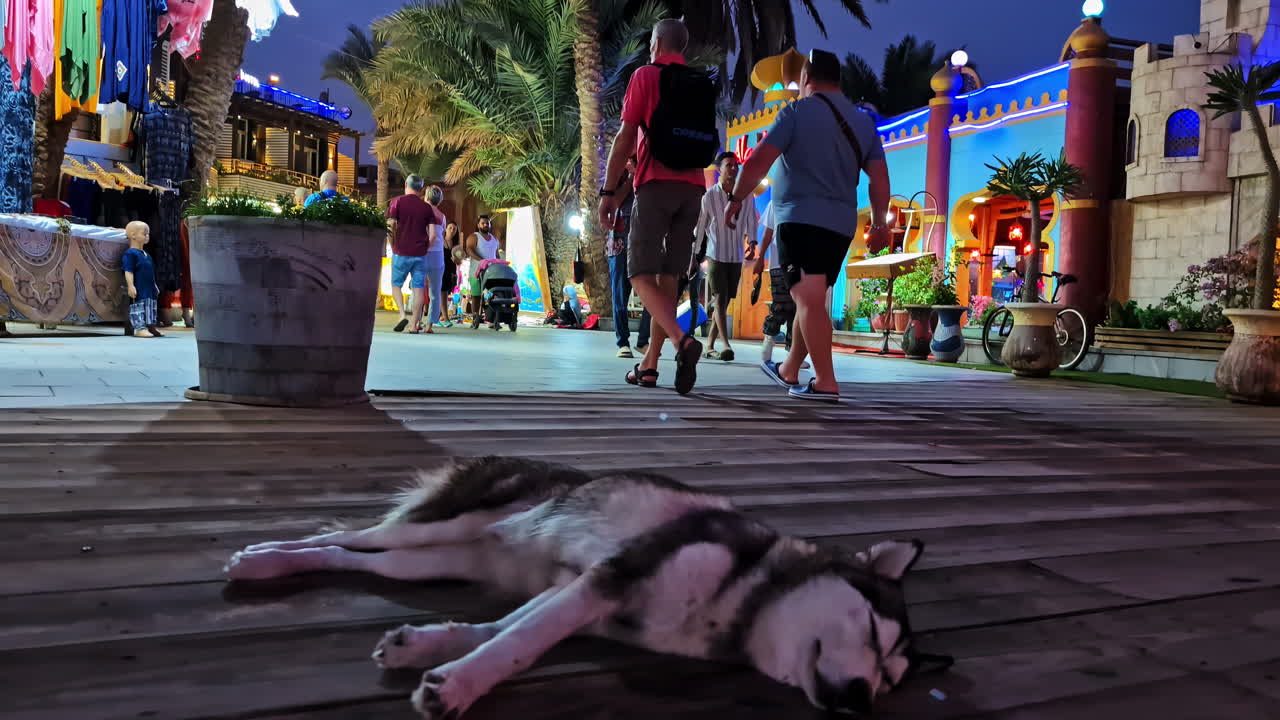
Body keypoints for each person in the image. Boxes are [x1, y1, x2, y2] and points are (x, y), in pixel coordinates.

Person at [726, 49, 891, 403]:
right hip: (841, 225)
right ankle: (789, 369)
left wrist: (737, 198)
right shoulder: (864, 123)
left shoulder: (796, 112)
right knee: (812, 298)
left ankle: (826, 381)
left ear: (805, 80)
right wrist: (879, 223)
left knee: (809, 299)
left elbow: (757, 160)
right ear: (839, 81)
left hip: (800, 219)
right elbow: (879, 179)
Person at [599, 18, 716, 395]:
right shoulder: (700, 83)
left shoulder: (646, 76)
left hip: (655, 186)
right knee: (668, 279)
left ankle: (684, 342)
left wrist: (607, 191)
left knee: (638, 274)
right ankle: (649, 366)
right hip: (693, 187)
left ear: (657, 42)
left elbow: (625, 135)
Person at [694, 151, 757, 362]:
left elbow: (751, 220)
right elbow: (701, 226)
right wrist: (695, 253)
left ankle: (709, 344)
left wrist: (753, 243)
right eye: (728, 165)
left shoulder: (746, 194)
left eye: (735, 165)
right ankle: (726, 344)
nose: (733, 168)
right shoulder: (709, 196)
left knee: (726, 300)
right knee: (720, 298)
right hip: (716, 254)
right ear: (719, 169)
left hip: (736, 256)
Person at [606, 157, 652, 358]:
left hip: (644, 238)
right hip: (620, 240)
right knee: (620, 293)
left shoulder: (649, 170)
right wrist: (632, 175)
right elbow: (613, 202)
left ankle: (643, 341)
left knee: (651, 293)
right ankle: (622, 342)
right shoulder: (616, 172)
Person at [387, 175, 440, 334]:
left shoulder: (396, 202)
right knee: (418, 289)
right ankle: (413, 326)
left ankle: (402, 314)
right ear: (421, 189)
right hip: (420, 254)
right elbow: (433, 236)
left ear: (405, 184)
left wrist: (393, 244)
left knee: (396, 285)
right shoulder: (426, 208)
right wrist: (424, 248)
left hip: (400, 251)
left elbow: (390, 227)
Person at [121, 221, 162, 338]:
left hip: (149, 289)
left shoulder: (146, 255)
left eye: (148, 234)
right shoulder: (130, 254)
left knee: (151, 307)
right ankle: (140, 328)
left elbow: (150, 273)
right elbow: (128, 270)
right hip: (139, 288)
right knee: (139, 307)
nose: (147, 236)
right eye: (144, 234)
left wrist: (154, 285)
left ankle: (151, 326)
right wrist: (130, 285)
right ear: (133, 235)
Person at [422, 186, 448, 332]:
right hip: (437, 254)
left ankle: (416, 321)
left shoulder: (421, 212)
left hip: (422, 252)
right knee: (435, 291)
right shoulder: (442, 216)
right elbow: (441, 234)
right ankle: (429, 325)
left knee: (418, 288)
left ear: (426, 196)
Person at [464, 216, 501, 317]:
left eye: (487, 223)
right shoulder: (474, 237)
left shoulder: (495, 240)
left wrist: (500, 264)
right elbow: (469, 249)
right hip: (476, 271)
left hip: (492, 272)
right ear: (478, 225)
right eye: (483, 223)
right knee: (476, 296)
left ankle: (491, 317)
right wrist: (481, 261)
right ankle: (475, 316)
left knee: (492, 294)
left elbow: (497, 255)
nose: (485, 225)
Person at [441, 221, 461, 324]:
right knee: (441, 294)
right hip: (440, 270)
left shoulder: (456, 245)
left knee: (446, 295)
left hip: (451, 271)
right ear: (446, 229)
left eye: (454, 229)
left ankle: (440, 316)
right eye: (450, 228)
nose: (452, 230)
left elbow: (459, 261)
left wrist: (456, 260)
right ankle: (445, 318)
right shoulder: (440, 241)